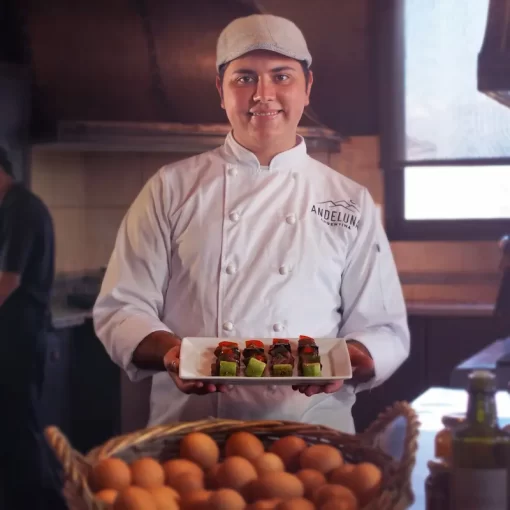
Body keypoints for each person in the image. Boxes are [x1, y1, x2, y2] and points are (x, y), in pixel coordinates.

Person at [93, 14, 410, 433]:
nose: (264, 95)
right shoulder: (170, 188)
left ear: (307, 87)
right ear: (221, 92)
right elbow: (121, 308)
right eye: (244, 78)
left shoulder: (350, 201)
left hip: (311, 436)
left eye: (281, 76)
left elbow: (383, 327)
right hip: (193, 435)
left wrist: (351, 358)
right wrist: (174, 354)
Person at [0, 147, 67, 509]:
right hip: (12, 339)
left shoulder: (21, 209)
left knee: (21, 432)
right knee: (14, 432)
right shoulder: (11, 206)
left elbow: (7, 280)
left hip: (20, 341)